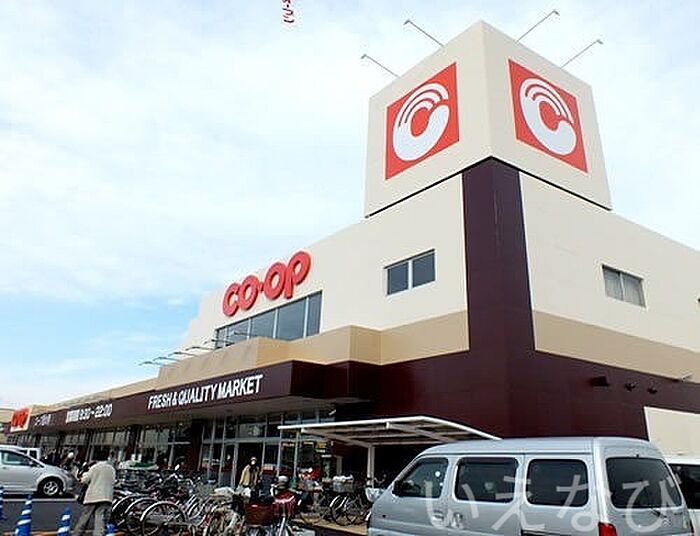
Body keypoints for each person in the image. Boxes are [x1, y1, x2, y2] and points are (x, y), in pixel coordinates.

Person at [73, 450, 116, 536]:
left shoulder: (95, 467)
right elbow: (113, 481)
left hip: (93, 496)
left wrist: (81, 474)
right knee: (100, 518)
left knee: (85, 517)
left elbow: (84, 480)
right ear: (107, 457)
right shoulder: (111, 468)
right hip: (106, 496)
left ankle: (77, 534)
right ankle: (98, 534)